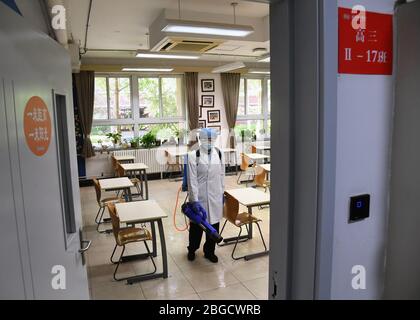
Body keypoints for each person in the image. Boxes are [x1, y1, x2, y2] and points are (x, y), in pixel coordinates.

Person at [187, 128, 225, 263]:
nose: (209, 142)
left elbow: (222, 175)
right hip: (200, 198)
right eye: (206, 139)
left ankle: (209, 252)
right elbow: (192, 180)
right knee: (197, 228)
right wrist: (194, 201)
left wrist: (222, 193)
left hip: (215, 196)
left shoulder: (219, 153)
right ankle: (192, 249)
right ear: (200, 139)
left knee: (213, 226)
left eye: (211, 139)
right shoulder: (193, 155)